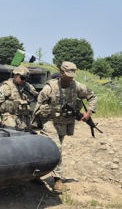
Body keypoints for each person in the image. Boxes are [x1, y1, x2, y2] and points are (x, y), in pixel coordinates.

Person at [32, 61, 97, 193]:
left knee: (50, 151)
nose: (70, 78)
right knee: (57, 148)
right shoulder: (49, 88)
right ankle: (57, 181)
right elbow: (37, 107)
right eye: (68, 75)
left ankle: (35, 174)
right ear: (61, 73)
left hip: (63, 123)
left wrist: (88, 113)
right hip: (50, 121)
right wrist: (38, 121)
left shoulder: (77, 86)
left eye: (72, 75)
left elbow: (92, 96)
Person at [0, 66, 38, 131]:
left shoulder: (28, 86)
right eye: (22, 78)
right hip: (9, 116)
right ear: (15, 76)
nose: (24, 80)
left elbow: (37, 97)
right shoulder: (6, 87)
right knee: (12, 131)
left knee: (26, 134)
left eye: (26, 78)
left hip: (23, 117)